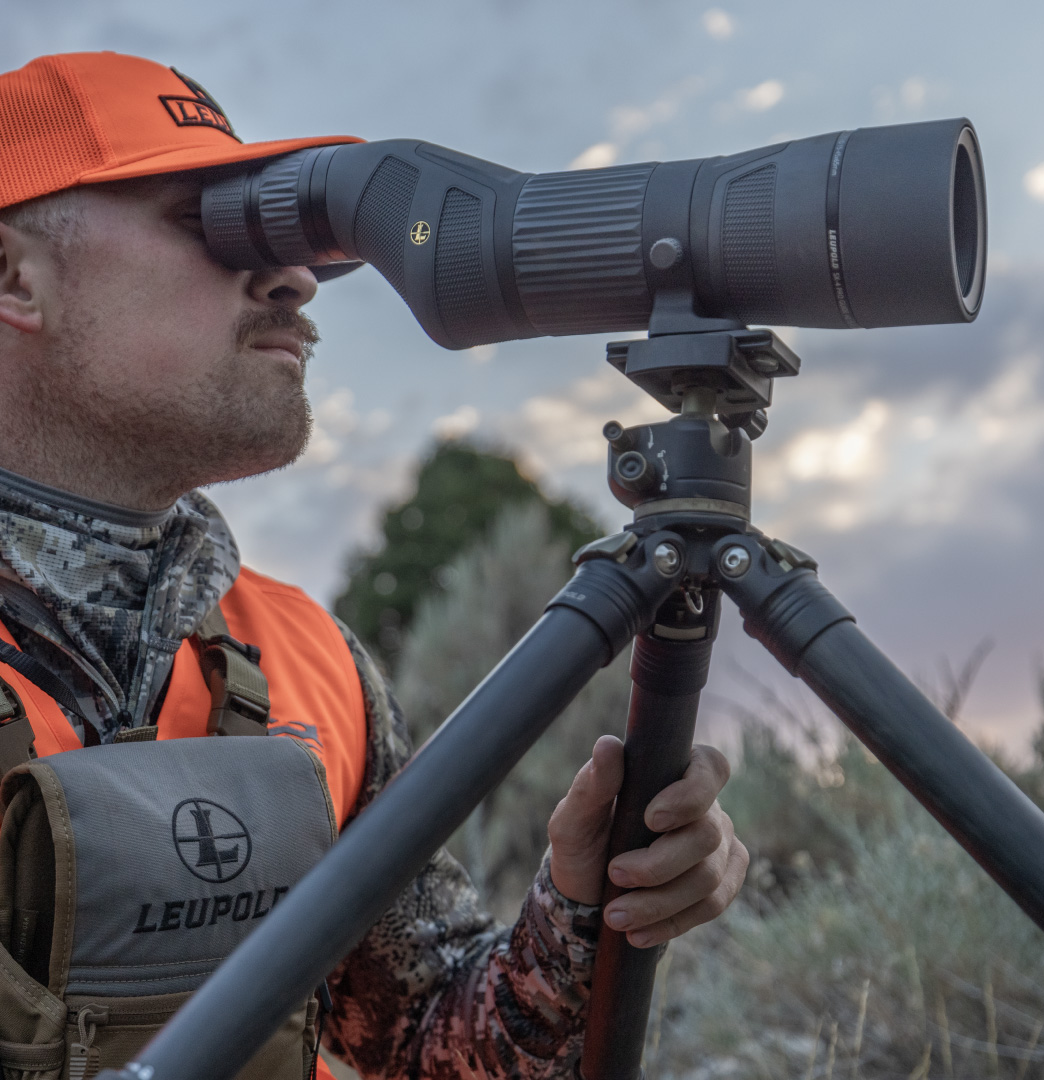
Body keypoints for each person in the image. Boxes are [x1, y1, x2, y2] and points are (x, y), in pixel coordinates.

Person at [0, 51, 749, 1079]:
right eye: (209, 225)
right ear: (14, 279)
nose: (296, 277)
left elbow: (416, 1040)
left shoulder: (309, 660)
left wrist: (580, 917)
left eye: (275, 231)